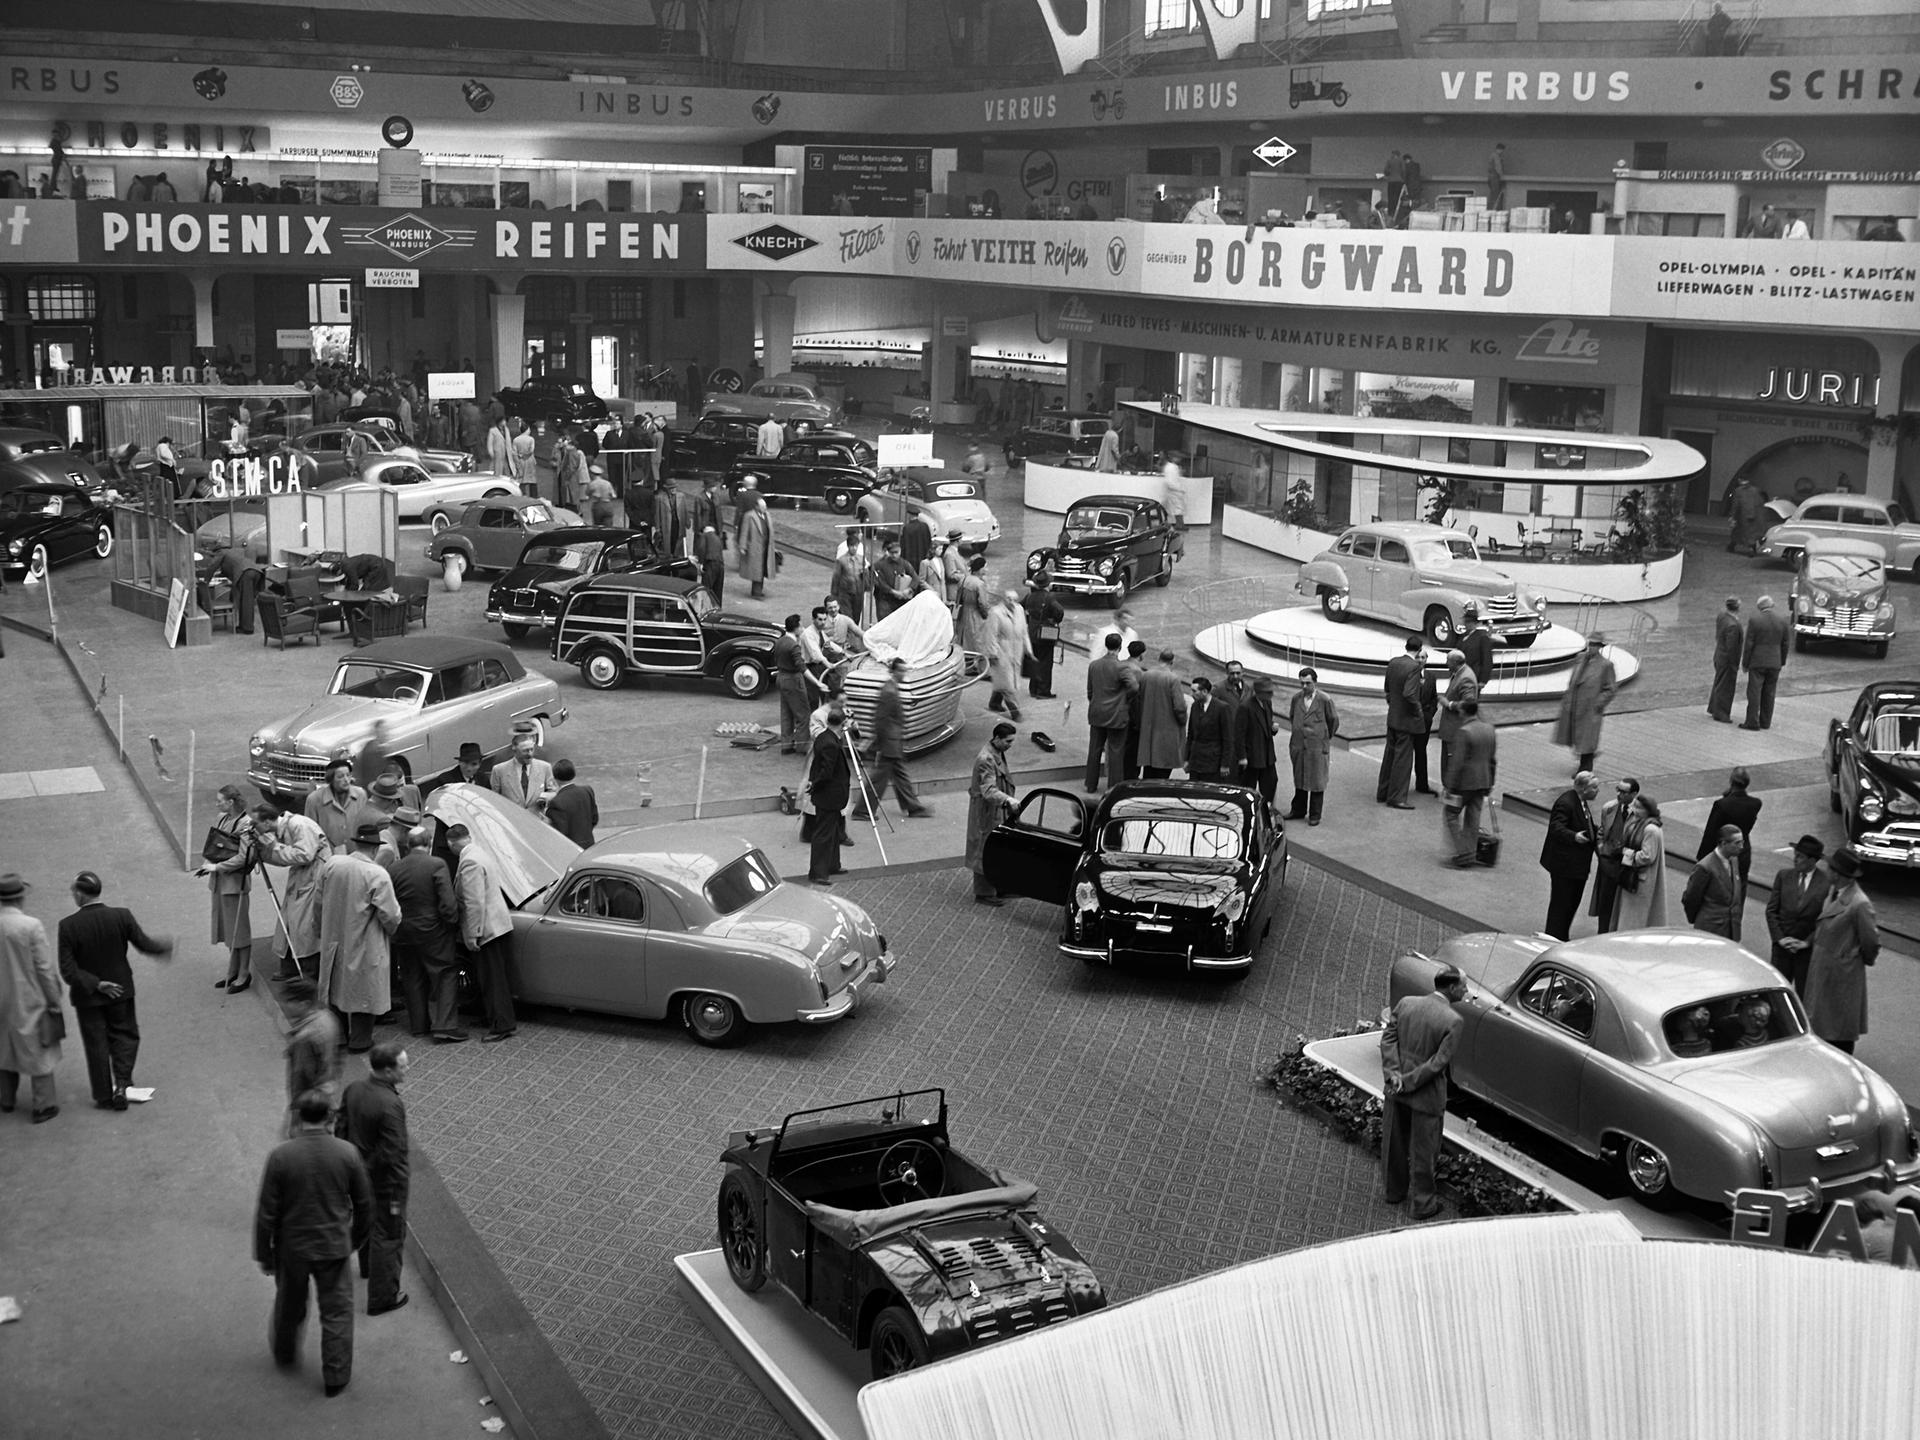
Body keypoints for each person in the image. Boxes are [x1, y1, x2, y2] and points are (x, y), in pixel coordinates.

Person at [254, 1088, 374, 1398]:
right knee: (336, 1311)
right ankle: (335, 1376)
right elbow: (364, 1205)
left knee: (289, 1303)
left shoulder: (281, 1156)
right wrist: (355, 1240)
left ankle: (285, 1352)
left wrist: (264, 1254)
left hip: (292, 1247)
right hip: (334, 1245)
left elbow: (266, 1211)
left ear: (299, 1118)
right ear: (330, 1118)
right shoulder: (347, 1153)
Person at [57, 871, 173, 1111]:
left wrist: (96, 984)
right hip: (121, 989)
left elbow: (68, 970)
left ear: (80, 894)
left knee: (95, 1043)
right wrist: (164, 947)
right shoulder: (121, 916)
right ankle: (122, 1084)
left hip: (88, 997)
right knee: (125, 1035)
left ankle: (102, 1094)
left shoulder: (68, 926)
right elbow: (144, 944)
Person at [1380, 967, 1467, 1221]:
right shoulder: (1453, 1021)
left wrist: (1395, 1076)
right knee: (1424, 1152)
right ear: (1451, 988)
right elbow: (1438, 1064)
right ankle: (1422, 1204)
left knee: (1393, 1145)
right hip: (1426, 1097)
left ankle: (1393, 1192)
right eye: (1464, 986)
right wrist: (1408, 1082)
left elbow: (1388, 1040)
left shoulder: (1406, 1004)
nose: (1467, 991)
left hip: (1395, 1090)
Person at [335, 1042, 411, 1317]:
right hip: (387, 1184)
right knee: (389, 1235)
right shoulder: (391, 1105)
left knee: (366, 1221)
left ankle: (367, 1267)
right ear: (388, 1071)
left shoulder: (354, 1089)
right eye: (402, 1067)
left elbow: (340, 1127)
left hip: (356, 1176)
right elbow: (393, 1151)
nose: (407, 1070)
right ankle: (383, 1297)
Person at [318, 823, 401, 1055]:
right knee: (365, 990)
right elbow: (391, 915)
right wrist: (392, 930)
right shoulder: (377, 873)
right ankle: (361, 1040)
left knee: (336, 987)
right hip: (365, 940)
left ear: (355, 843)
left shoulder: (332, 864)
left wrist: (320, 928)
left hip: (334, 936)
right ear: (375, 849)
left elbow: (318, 900)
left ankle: (340, 1036)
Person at [387, 827, 463, 1043]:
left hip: (404, 931)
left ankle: (419, 1025)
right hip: (434, 931)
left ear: (408, 845)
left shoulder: (394, 868)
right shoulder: (436, 864)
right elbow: (448, 904)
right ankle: (445, 1025)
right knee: (445, 973)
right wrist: (452, 923)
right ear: (429, 843)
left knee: (412, 976)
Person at [0, 873, 63, 1124]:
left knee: (3, 1048)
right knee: (39, 1054)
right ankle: (43, 1105)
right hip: (28, 999)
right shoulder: (31, 926)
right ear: (21, 897)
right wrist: (54, 1001)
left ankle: (5, 1098)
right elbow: (44, 969)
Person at [1804, 847, 1878, 1054]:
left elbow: (1871, 942)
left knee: (1838, 1030)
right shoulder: (1834, 892)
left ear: (1837, 873)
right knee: (1822, 1025)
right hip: (1824, 971)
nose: (1826, 870)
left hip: (1841, 976)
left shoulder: (1859, 904)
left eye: (1829, 868)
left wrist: (1849, 959)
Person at [449, 823, 516, 1042]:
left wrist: (472, 934)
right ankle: (492, 1017)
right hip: (499, 924)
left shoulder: (468, 862)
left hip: (487, 929)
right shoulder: (480, 853)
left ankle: (502, 1025)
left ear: (451, 843)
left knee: (492, 979)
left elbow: (474, 902)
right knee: (493, 976)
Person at [851, 658, 933, 822]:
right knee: (879, 779)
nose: (903, 673)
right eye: (901, 670)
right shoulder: (889, 692)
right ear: (893, 671)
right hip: (889, 743)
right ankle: (862, 810)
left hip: (892, 742)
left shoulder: (891, 688)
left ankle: (912, 807)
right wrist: (880, 743)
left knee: (899, 777)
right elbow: (881, 720)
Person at [255, 803, 329, 980]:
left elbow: (305, 855)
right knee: (289, 920)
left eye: (256, 823)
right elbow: (286, 858)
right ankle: (290, 966)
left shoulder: (298, 824)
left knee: (305, 925)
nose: (255, 828)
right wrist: (263, 853)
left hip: (315, 877)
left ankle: (309, 970)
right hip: (302, 875)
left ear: (266, 823)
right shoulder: (283, 830)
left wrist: (275, 847)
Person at [201, 782, 257, 993]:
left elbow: (246, 856)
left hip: (235, 885)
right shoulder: (222, 819)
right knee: (227, 927)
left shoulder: (246, 824)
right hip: (220, 882)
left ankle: (244, 973)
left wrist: (217, 866)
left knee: (239, 930)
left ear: (231, 802)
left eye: (220, 801)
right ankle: (232, 970)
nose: (217, 805)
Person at [1765, 835, 1829, 994]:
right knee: (1777, 994)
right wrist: (1780, 939)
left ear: (1812, 861)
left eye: (1800, 857)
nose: (1795, 860)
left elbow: (1826, 921)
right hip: (1782, 951)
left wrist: (1807, 942)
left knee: (1804, 995)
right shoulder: (1783, 876)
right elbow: (1772, 910)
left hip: (1806, 953)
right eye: (1795, 855)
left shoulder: (1826, 883)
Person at [1539, 771, 1600, 941]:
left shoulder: (1581, 802)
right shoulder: (1566, 803)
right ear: (1582, 788)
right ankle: (1552, 936)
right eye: (1594, 787)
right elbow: (1556, 827)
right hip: (1565, 866)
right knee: (1561, 903)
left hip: (1576, 866)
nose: (1597, 791)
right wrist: (1574, 836)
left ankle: (1561, 935)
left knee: (1571, 902)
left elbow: (1583, 822)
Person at [967, 723, 1019, 907]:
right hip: (987, 811)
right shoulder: (986, 759)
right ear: (997, 738)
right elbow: (988, 790)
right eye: (1008, 741)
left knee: (994, 847)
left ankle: (997, 886)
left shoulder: (995, 752)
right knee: (984, 848)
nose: (1010, 745)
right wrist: (1008, 801)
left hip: (995, 809)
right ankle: (983, 892)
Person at [1442, 700, 1496, 870]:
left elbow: (1457, 763)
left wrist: (1449, 785)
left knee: (1451, 814)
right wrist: (1491, 782)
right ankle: (1471, 852)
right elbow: (1492, 760)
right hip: (1483, 782)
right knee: (1473, 817)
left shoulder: (1464, 732)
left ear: (1464, 712)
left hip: (1463, 784)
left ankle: (1463, 852)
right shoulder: (1489, 729)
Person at [1377, 636, 1425, 809]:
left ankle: (1383, 792)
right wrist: (1418, 712)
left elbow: (1388, 690)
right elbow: (1410, 694)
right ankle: (1396, 797)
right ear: (1419, 649)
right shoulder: (1414, 667)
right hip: (1406, 720)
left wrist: (1394, 706)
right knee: (1403, 760)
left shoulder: (1393, 662)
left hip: (1393, 717)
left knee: (1389, 756)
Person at [806, 706, 852, 886]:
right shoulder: (831, 743)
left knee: (832, 831)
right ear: (842, 723)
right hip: (829, 795)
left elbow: (816, 764)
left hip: (827, 795)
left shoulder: (823, 738)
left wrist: (812, 781)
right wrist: (816, 783)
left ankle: (832, 865)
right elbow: (826, 771)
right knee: (824, 834)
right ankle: (818, 872)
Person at [1285, 669, 1338, 824]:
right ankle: (1298, 810)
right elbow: (1292, 717)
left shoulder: (1325, 700)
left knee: (1317, 782)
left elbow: (1333, 720)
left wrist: (1324, 738)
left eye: (1307, 683)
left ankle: (1315, 815)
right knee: (1300, 779)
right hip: (1299, 746)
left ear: (1315, 682)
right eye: (1301, 683)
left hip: (1317, 748)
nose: (1304, 686)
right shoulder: (1296, 698)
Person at [1084, 632, 1134, 793]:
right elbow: (1134, 687)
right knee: (1116, 751)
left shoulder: (1094, 665)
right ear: (1120, 647)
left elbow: (1090, 691)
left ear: (1106, 646)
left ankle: (1090, 784)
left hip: (1097, 712)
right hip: (1116, 715)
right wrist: (1124, 699)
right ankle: (1113, 786)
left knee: (1095, 749)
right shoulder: (1122, 667)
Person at [1589, 777, 1639, 934]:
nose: (1619, 794)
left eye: (1624, 792)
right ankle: (1603, 932)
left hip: (1627, 863)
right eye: (1618, 790)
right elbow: (1602, 831)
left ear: (1634, 794)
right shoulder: (1609, 808)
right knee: (1605, 900)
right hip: (1608, 861)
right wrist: (1602, 849)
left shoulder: (1639, 813)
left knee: (1624, 903)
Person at [1696, 767, 1762, 884]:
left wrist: (1702, 859)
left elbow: (1711, 833)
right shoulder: (1755, 804)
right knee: (1739, 889)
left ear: (1731, 781)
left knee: (1719, 890)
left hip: (1724, 852)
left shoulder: (1722, 805)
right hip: (1743, 851)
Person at [1612, 793, 1668, 929]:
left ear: (1647, 811)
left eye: (1638, 808)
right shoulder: (1641, 825)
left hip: (1640, 881)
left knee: (1634, 919)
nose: (1634, 810)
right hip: (1634, 878)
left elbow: (1647, 856)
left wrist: (1625, 853)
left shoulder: (1651, 829)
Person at [1683, 825, 1747, 940]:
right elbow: (1691, 898)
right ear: (1723, 844)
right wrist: (1700, 920)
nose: (1741, 847)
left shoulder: (1734, 860)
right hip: (1711, 931)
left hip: (1731, 931)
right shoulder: (1704, 868)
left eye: (1742, 842)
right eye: (1737, 843)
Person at [1137, 651, 1189, 780]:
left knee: (1149, 770)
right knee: (1163, 770)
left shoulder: (1146, 675)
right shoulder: (1173, 678)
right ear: (1172, 661)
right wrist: (1183, 720)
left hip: (1148, 727)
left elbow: (1139, 698)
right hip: (1167, 730)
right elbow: (1179, 707)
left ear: (1158, 659)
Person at [1741, 596, 1789, 730]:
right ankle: (1765, 722)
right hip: (1775, 663)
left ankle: (1752, 721)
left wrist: (1745, 663)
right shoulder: (1782, 621)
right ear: (1771, 605)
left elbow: (1749, 644)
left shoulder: (1755, 621)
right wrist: (1782, 661)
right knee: (1770, 692)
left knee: (1754, 692)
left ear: (1759, 607)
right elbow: (1785, 644)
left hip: (1757, 662)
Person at [1234, 676, 1282, 811]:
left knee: (1271, 782)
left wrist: (1272, 729)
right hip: (1252, 756)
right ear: (1258, 692)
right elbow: (1239, 734)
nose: (1271, 695)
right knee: (1248, 787)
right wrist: (1242, 757)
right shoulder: (1245, 707)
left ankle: (1266, 810)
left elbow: (1266, 724)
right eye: (1268, 692)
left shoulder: (1267, 703)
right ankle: (1247, 811)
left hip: (1267, 754)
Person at [986, 590, 1032, 723]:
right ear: (1004, 599)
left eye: (1014, 599)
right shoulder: (995, 612)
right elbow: (991, 635)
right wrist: (993, 653)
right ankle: (1015, 711)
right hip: (1001, 651)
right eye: (1008, 599)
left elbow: (1024, 631)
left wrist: (1028, 649)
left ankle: (994, 702)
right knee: (1007, 684)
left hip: (1016, 650)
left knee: (1005, 680)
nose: (1011, 602)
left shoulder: (1020, 610)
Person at [490, 725, 556, 811]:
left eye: (531, 749)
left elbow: (553, 792)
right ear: (514, 748)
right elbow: (494, 799)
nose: (530, 754)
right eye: (525, 750)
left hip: (536, 820)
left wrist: (544, 798)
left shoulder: (545, 767)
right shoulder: (499, 770)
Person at [1436, 648, 1478, 781]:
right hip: (1452, 728)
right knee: (1448, 763)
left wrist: (1449, 704)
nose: (1446, 664)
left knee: (1452, 763)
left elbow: (1469, 704)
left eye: (1448, 661)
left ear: (1456, 662)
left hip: (1455, 729)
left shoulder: (1466, 678)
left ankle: (1451, 792)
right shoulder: (1460, 673)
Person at [305, 760, 366, 851]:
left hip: (355, 854)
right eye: (340, 776)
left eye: (348, 775)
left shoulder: (360, 795)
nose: (346, 780)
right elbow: (309, 833)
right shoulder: (314, 800)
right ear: (331, 779)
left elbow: (364, 825)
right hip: (327, 857)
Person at [1183, 677, 1234, 783]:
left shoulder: (1222, 708)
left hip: (1213, 762)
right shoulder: (1195, 706)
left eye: (1194, 691)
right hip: (1196, 761)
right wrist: (1186, 759)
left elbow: (1227, 738)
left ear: (1205, 691)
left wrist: (1225, 764)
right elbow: (1191, 734)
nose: (1191, 694)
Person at [1022, 574, 1065, 699]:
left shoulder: (1029, 596)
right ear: (1047, 584)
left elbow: (1020, 606)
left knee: (1034, 659)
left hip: (1031, 631)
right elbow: (1059, 611)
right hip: (1046, 632)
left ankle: (1033, 689)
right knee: (1045, 662)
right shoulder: (1049, 597)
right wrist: (1053, 619)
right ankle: (1043, 691)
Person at [773, 614, 810, 755]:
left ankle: (786, 744)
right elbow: (801, 667)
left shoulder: (780, 641)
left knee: (786, 712)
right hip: (793, 679)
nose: (803, 628)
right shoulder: (793, 645)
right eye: (801, 626)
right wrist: (817, 682)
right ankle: (802, 746)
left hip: (781, 677)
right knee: (803, 714)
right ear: (795, 628)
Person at [545, 759, 599, 846]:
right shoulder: (587, 790)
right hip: (589, 844)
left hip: (569, 848)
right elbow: (594, 819)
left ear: (555, 778)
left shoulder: (556, 802)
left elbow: (558, 832)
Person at [1708, 596, 1743, 722]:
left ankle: (1714, 707)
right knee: (1726, 687)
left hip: (1719, 655)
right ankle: (1721, 713)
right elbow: (1732, 648)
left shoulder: (1722, 616)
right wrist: (1735, 664)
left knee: (1719, 683)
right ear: (1737, 608)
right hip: (1727, 661)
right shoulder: (1733, 625)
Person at [420, 741, 493, 799]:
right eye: (465, 763)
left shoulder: (483, 779)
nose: (469, 768)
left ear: (480, 764)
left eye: (474, 764)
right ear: (459, 762)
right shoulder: (445, 780)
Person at [736, 489, 773, 599]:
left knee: (762, 569)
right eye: (762, 507)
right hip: (755, 547)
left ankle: (758, 590)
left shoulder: (767, 515)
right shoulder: (749, 516)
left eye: (765, 507)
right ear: (757, 507)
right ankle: (756, 592)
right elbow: (744, 531)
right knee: (757, 570)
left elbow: (769, 530)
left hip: (765, 547)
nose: (764, 509)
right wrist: (742, 546)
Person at [957, 554, 992, 668]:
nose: (986, 569)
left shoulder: (963, 579)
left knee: (964, 640)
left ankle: (966, 665)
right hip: (975, 614)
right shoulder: (979, 584)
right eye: (984, 567)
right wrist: (986, 615)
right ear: (980, 569)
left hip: (964, 613)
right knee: (978, 641)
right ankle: (978, 667)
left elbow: (958, 598)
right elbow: (982, 603)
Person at [869, 539, 915, 621]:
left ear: (900, 551)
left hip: (900, 600)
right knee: (884, 624)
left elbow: (916, 578)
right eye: (892, 553)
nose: (894, 555)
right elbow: (879, 582)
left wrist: (909, 589)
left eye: (896, 552)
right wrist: (893, 591)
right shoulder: (880, 565)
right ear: (888, 552)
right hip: (884, 600)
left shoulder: (905, 564)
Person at [1726, 477, 1765, 555]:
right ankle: (1752, 548)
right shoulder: (1755, 490)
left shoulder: (1738, 491)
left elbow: (1735, 505)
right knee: (1752, 533)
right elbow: (1760, 502)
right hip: (1755, 515)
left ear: (1740, 480)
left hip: (1742, 516)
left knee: (1739, 532)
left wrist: (1732, 516)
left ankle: (1732, 546)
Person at [1161, 455, 1188, 562]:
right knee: (1176, 509)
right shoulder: (1170, 468)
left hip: (1175, 491)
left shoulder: (1173, 467)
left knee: (1177, 509)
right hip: (1174, 491)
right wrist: (1178, 489)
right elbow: (1170, 482)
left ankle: (1180, 524)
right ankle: (1178, 524)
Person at [1459, 606, 1494, 687]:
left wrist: (1483, 680)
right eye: (1465, 621)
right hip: (1461, 676)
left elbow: (1487, 660)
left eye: (1468, 622)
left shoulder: (1482, 637)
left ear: (1475, 623)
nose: (1466, 624)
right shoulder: (1462, 637)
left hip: (1474, 677)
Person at [695, 523, 725, 601]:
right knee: (717, 591)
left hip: (710, 564)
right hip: (720, 565)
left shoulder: (704, 536)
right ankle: (717, 609)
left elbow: (701, 548)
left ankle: (704, 609)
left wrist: (700, 562)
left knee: (706, 589)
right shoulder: (717, 538)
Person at [1383, 149, 1405, 213]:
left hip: (1391, 181)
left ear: (1393, 154)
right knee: (1397, 197)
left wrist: (1389, 174)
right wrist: (1403, 178)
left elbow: (1386, 171)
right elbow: (1404, 170)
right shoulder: (1401, 161)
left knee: (1390, 197)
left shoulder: (1389, 161)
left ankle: (1390, 211)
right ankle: (1396, 211)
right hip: (1399, 181)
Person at [1486, 143, 1507, 209]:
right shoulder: (1496, 156)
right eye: (1502, 150)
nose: (1502, 152)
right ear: (1499, 149)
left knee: (1493, 194)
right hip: (1494, 177)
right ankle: (1494, 209)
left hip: (1491, 177)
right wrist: (1502, 176)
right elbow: (1498, 167)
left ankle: (1491, 208)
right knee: (1495, 194)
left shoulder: (1493, 155)